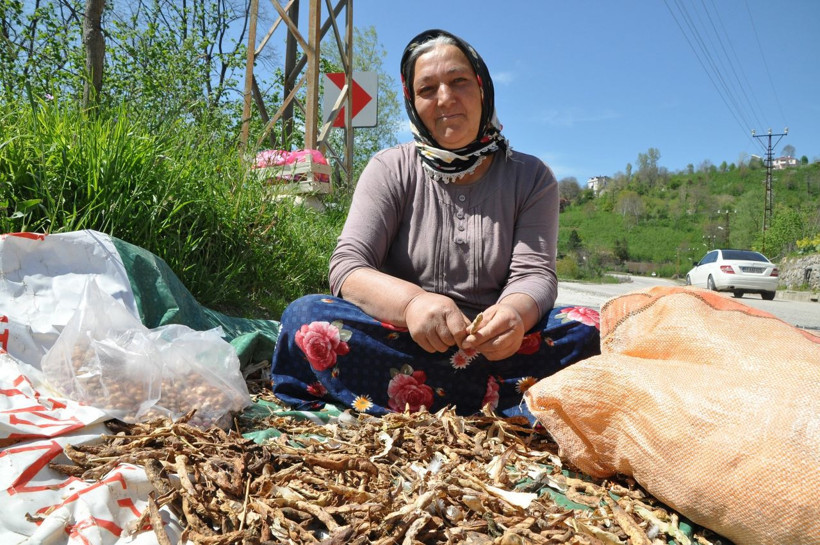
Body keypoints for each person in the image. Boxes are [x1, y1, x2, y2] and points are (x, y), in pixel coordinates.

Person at [270, 29, 600, 422]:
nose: (445, 98)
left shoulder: (532, 177)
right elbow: (348, 267)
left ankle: (413, 399)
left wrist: (513, 315)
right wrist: (412, 304)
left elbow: (535, 274)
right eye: (427, 89)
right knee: (306, 317)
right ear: (412, 102)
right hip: (401, 341)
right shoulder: (390, 168)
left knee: (592, 328)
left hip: (499, 352)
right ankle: (507, 403)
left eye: (459, 81)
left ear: (483, 88)